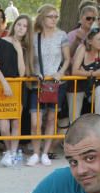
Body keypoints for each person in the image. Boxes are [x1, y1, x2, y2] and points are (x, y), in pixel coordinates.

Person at [30, 5, 71, 165]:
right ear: (42, 18)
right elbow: (29, 59)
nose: (54, 19)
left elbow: (67, 58)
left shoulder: (62, 35)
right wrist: (34, 72)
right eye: (50, 16)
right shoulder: (34, 36)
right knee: (36, 121)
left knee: (51, 119)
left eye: (55, 16)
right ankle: (35, 152)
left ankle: (45, 152)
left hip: (56, 83)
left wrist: (60, 72)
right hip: (38, 83)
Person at [0, 15, 31, 168]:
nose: (21, 28)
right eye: (19, 24)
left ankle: (13, 152)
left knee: (16, 122)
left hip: (18, 87)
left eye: (25, 26)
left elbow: (22, 73)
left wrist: (19, 51)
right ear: (14, 25)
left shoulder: (26, 47)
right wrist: (5, 84)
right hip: (2, 86)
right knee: (3, 125)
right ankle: (7, 151)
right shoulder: (1, 43)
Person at [71, 28, 100, 119]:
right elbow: (74, 71)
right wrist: (93, 73)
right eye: (99, 39)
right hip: (78, 86)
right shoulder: (83, 48)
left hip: (94, 86)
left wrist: (87, 73)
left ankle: (99, 119)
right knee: (74, 117)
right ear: (90, 41)